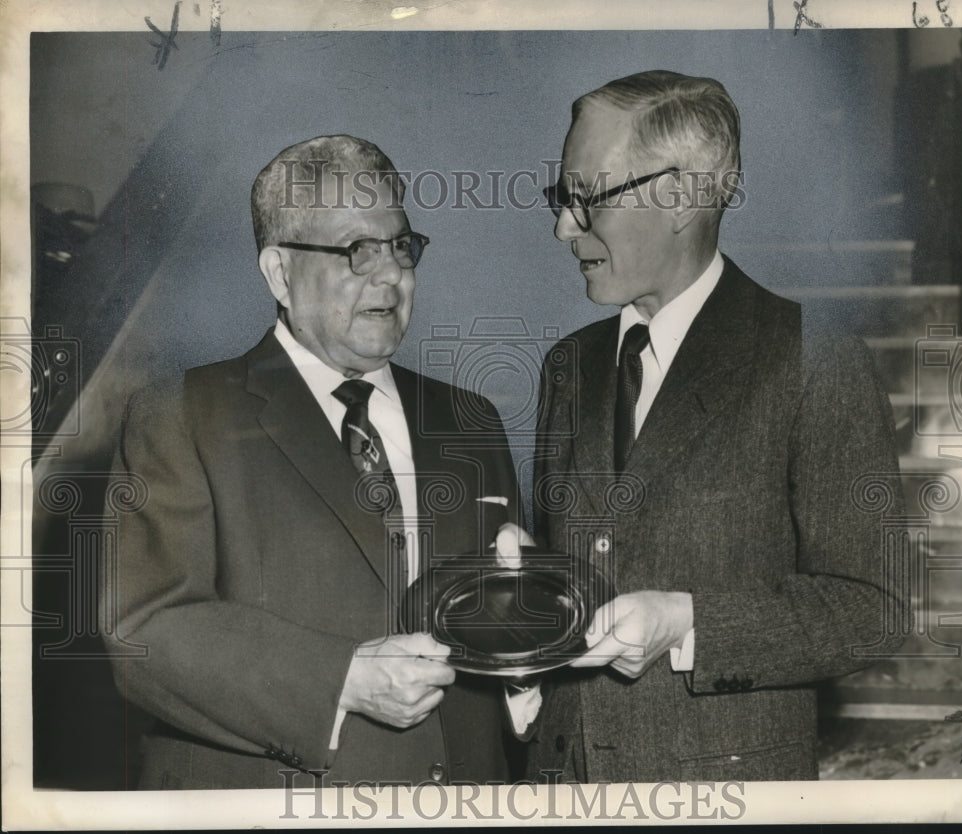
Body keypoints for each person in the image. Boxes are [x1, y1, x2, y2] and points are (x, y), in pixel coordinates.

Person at [101, 135, 522, 789]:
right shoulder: (182, 413)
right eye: (358, 251)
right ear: (279, 273)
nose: (391, 276)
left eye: (401, 247)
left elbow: (502, 641)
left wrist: (527, 626)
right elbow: (144, 630)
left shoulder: (472, 420)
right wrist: (344, 680)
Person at [526, 70, 905, 782]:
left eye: (586, 200)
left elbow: (872, 609)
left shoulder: (813, 360)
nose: (562, 227)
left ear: (682, 197)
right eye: (560, 198)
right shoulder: (568, 365)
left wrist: (687, 622)